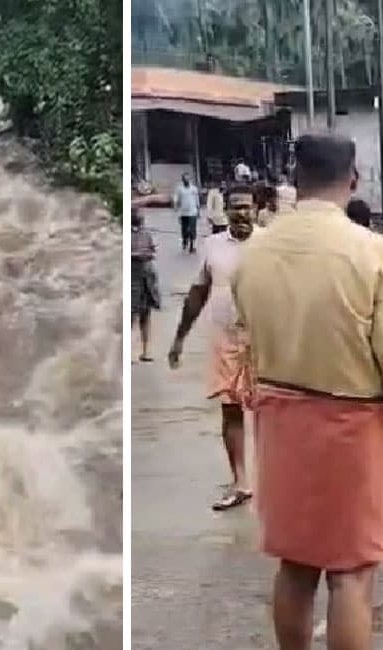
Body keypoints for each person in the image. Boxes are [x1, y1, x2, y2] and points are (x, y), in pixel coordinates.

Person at [232, 133, 383, 650]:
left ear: (294, 180)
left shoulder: (255, 252)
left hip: (282, 425)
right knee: (351, 575)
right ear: (352, 178)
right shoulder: (371, 251)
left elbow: (249, 338)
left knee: (296, 565)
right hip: (354, 429)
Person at [167, 203, 258, 511]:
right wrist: (179, 337)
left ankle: (278, 483)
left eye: (247, 207)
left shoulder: (272, 242)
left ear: (256, 209)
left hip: (266, 341)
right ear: (227, 212)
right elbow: (198, 293)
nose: (242, 214)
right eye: (236, 208)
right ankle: (241, 482)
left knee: (275, 412)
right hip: (226, 339)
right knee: (231, 410)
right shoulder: (213, 245)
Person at [131, 208, 161, 363]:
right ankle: (130, 351)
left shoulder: (146, 234)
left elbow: (152, 250)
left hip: (147, 279)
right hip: (132, 278)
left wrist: (147, 253)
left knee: (146, 316)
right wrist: (136, 255)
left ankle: (146, 350)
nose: (140, 218)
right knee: (131, 316)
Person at [173, 172, 201, 253]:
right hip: (184, 213)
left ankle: (192, 245)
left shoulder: (194, 189)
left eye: (188, 178)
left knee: (192, 229)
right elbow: (176, 198)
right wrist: (175, 205)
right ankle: (185, 240)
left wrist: (198, 210)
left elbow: (197, 199)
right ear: (182, 180)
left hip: (193, 212)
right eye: (185, 179)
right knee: (184, 230)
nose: (186, 180)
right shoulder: (179, 189)